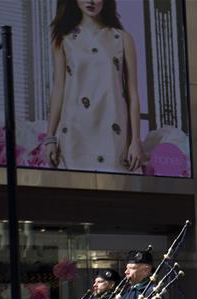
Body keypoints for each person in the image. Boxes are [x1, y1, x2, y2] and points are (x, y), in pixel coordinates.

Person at [45, 0, 145, 172]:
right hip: (75, 130)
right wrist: (50, 138)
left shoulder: (122, 38)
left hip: (113, 129)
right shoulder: (63, 38)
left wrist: (135, 141)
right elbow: (59, 89)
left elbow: (133, 94)